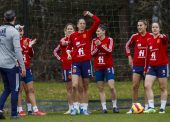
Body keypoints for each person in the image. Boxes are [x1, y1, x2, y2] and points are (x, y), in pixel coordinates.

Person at [67, 11, 100, 115]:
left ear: (85, 25)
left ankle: (84, 108)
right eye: (80, 23)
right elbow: (68, 47)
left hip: (86, 63)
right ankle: (74, 107)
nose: (82, 25)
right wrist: (68, 53)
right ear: (77, 25)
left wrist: (90, 14)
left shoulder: (88, 33)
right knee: (75, 85)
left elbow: (98, 21)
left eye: (83, 23)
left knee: (85, 87)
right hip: (76, 63)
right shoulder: (73, 35)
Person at [0, 10, 26, 119]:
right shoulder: (14, 32)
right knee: (15, 89)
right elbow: (17, 51)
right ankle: (14, 114)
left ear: (4, 19)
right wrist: (23, 67)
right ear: (14, 18)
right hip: (11, 65)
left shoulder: (0, 29)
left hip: (1, 64)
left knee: (7, 89)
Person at [15, 25, 46, 116]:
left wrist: (30, 46)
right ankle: (20, 110)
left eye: (22, 30)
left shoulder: (27, 40)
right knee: (19, 89)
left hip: (27, 68)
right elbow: (17, 53)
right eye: (18, 30)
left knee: (31, 89)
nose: (20, 32)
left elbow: (31, 54)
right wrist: (26, 47)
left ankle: (35, 110)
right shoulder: (14, 41)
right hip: (17, 68)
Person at [125, 20, 152, 114]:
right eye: (138, 25)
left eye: (141, 25)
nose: (139, 27)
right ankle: (134, 106)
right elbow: (127, 46)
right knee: (134, 86)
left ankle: (147, 106)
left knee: (146, 86)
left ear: (145, 26)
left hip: (148, 65)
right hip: (137, 65)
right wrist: (129, 56)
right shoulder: (135, 36)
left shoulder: (151, 36)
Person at [91, 25, 119, 113]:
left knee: (111, 86)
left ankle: (115, 106)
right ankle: (104, 108)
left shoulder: (109, 39)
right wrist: (98, 46)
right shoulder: (94, 41)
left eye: (99, 31)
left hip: (108, 67)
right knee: (101, 88)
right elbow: (92, 53)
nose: (97, 33)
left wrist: (100, 45)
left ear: (104, 31)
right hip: (98, 67)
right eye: (96, 31)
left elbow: (109, 51)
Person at [144, 22, 168, 114]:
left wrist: (163, 37)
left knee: (162, 87)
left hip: (162, 65)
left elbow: (165, 39)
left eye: (156, 27)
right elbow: (147, 56)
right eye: (153, 27)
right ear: (151, 29)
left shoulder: (162, 38)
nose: (154, 29)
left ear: (159, 29)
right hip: (151, 66)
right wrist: (145, 68)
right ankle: (151, 107)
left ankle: (162, 108)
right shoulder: (149, 40)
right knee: (147, 86)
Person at [53, 23, 75, 114]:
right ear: (65, 31)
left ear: (74, 30)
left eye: (71, 29)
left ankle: (79, 106)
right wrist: (62, 59)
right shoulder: (63, 40)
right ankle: (70, 108)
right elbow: (55, 51)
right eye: (68, 29)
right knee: (69, 88)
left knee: (77, 87)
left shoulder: (77, 39)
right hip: (66, 66)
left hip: (76, 66)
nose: (69, 30)